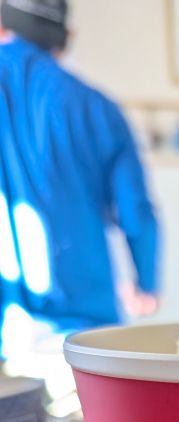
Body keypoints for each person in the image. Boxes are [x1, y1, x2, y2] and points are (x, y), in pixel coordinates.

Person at [0, 0, 160, 363]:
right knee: (81, 420)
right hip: (81, 331)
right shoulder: (97, 108)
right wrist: (145, 282)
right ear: (66, 39)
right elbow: (136, 210)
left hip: (7, 327)